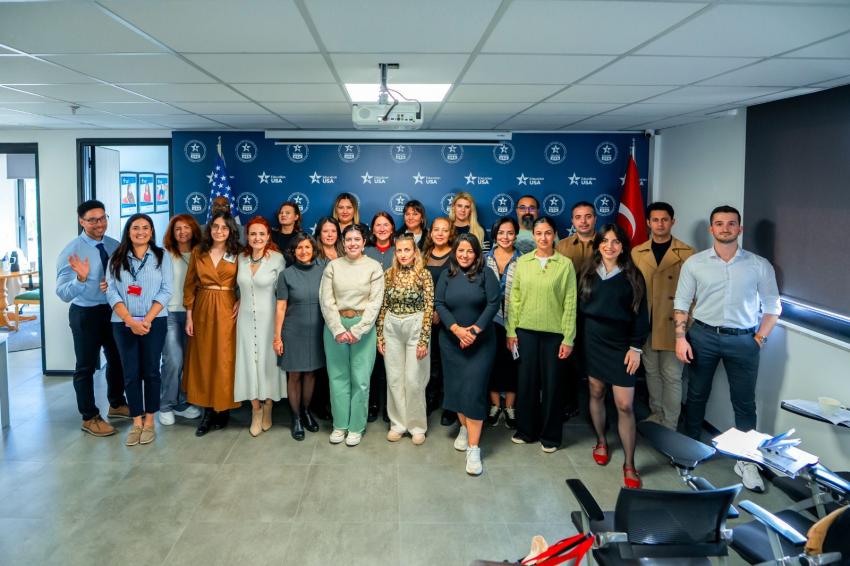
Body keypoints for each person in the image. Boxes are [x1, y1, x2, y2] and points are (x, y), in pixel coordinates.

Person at [674, 205, 781, 493]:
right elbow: (681, 303)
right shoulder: (695, 263)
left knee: (745, 403)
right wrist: (681, 338)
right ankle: (690, 449)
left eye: (731, 223)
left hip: (744, 340)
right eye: (719, 223)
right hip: (703, 336)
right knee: (696, 395)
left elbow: (773, 307)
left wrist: (759, 339)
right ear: (712, 229)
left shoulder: (759, 265)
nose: (725, 228)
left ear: (739, 228)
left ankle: (746, 461)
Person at [578, 223, 649, 488]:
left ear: (623, 246)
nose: (610, 246)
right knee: (596, 391)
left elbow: (641, 315)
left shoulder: (633, 276)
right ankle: (601, 440)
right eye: (605, 241)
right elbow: (577, 310)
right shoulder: (587, 272)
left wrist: (636, 347)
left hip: (622, 345)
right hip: (592, 340)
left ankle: (629, 464)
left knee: (625, 404)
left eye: (615, 241)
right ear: (598, 245)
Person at [56, 200, 129, 437]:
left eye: (102, 218)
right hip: (86, 314)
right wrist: (81, 280)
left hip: (112, 311)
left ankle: (117, 403)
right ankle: (89, 417)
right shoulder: (71, 251)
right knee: (85, 367)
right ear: (82, 221)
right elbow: (62, 293)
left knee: (117, 359)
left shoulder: (114, 245)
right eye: (92, 220)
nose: (99, 224)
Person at [506, 216, 578, 453]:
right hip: (525, 332)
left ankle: (551, 436)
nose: (543, 238)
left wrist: (568, 338)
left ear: (554, 235)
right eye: (539, 233)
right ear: (533, 236)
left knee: (552, 386)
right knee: (526, 384)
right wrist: (511, 331)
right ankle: (526, 431)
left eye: (548, 233)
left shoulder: (564, 264)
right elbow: (514, 299)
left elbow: (570, 303)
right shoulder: (523, 262)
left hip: (554, 335)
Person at [435, 233, 500, 476]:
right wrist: (456, 330)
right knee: (457, 389)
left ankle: (474, 449)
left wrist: (473, 331)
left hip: (480, 343)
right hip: (451, 343)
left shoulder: (486, 274)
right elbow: (439, 303)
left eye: (470, 251)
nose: (464, 255)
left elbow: (493, 303)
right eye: (460, 250)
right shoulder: (447, 274)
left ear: (477, 253)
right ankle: (464, 428)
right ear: (454, 252)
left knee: (473, 392)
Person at [105, 213, 172, 446]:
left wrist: (147, 319)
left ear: (151, 232)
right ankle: (136, 422)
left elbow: (167, 289)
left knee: (151, 371)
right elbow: (111, 290)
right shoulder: (116, 257)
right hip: (122, 323)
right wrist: (130, 320)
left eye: (145, 227)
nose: (140, 232)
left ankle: (150, 421)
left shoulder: (162, 256)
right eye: (136, 227)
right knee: (130, 372)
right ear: (128, 231)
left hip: (154, 321)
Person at [319, 224, 385, 447]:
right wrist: (337, 329)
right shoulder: (333, 266)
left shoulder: (373, 267)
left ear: (364, 242)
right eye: (349, 239)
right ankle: (340, 425)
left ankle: (356, 426)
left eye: (357, 239)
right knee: (337, 377)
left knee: (361, 379)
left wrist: (359, 329)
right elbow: (326, 300)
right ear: (343, 242)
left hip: (363, 327)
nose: (353, 243)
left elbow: (375, 302)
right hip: (335, 326)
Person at [631, 202, 695, 430]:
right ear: (648, 223)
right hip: (646, 322)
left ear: (672, 222)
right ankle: (656, 413)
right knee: (651, 372)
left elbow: (694, 293)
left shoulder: (687, 253)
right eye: (655, 220)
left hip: (673, 324)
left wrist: (686, 324)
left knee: (671, 375)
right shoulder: (637, 252)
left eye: (664, 219)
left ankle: (670, 423)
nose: (660, 224)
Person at [183, 211, 241, 437]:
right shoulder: (198, 251)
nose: (219, 231)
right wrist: (189, 315)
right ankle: (207, 411)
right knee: (204, 358)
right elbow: (190, 285)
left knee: (224, 359)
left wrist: (241, 299)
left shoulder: (238, 253)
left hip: (227, 307)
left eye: (224, 227)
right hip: (203, 307)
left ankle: (223, 407)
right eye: (215, 226)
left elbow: (248, 280)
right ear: (210, 229)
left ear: (231, 231)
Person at [376, 233, 434, 445]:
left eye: (407, 250)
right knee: (394, 378)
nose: (403, 254)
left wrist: (424, 339)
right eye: (399, 250)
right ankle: (398, 424)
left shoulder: (424, 274)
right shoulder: (389, 274)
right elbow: (383, 305)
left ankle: (417, 426)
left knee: (413, 379)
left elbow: (429, 307)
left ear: (415, 252)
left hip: (415, 326)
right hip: (392, 326)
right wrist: (380, 335)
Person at [233, 216, 286, 437]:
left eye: (261, 234)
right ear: (247, 236)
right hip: (244, 320)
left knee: (267, 363)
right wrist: (238, 300)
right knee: (248, 363)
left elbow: (282, 293)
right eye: (253, 234)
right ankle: (256, 410)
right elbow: (238, 287)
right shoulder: (240, 258)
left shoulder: (277, 259)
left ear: (268, 236)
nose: (257, 238)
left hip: (269, 320)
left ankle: (268, 406)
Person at [275, 233, 326, 440]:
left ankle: (306, 412)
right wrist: (277, 337)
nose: (303, 251)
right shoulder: (286, 275)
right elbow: (280, 308)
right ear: (293, 251)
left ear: (314, 250)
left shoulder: (323, 272)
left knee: (311, 373)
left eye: (307, 247)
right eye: (299, 248)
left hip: (317, 331)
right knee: (295, 375)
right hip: (293, 331)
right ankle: (295, 417)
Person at [555, 200, 598, 421]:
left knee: (594, 363)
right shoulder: (562, 246)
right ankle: (569, 404)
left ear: (595, 219)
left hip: (597, 314)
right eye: (578, 217)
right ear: (572, 220)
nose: (583, 221)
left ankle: (597, 409)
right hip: (568, 312)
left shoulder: (606, 244)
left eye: (588, 216)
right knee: (568, 361)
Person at [159, 214, 203, 425]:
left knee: (189, 362)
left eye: (186, 228)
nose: (182, 232)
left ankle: (182, 403)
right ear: (172, 233)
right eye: (178, 229)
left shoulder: (201, 253)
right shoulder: (164, 255)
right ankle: (166, 404)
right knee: (173, 360)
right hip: (170, 313)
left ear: (194, 230)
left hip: (195, 314)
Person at [484, 217, 520, 429]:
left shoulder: (523, 260)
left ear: (516, 235)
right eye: (501, 233)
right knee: (492, 363)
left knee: (512, 364)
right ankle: (495, 405)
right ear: (495, 235)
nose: (505, 237)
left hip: (514, 322)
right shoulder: (484, 259)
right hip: (490, 321)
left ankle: (510, 407)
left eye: (510, 232)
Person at [422, 217, 457, 425]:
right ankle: (431, 398)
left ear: (450, 233)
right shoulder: (424, 255)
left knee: (448, 361)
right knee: (431, 359)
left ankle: (450, 407)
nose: (440, 234)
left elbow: (458, 288)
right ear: (431, 232)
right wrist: (428, 312)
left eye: (445, 230)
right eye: (436, 230)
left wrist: (440, 311)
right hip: (425, 318)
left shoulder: (456, 255)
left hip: (448, 317)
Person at [364, 211, 396, 422]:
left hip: (394, 313)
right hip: (370, 312)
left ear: (392, 228)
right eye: (378, 225)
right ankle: (373, 403)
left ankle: (389, 407)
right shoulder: (365, 251)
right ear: (373, 229)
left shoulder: (399, 249)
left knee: (391, 362)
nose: (382, 228)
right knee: (373, 362)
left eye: (386, 225)